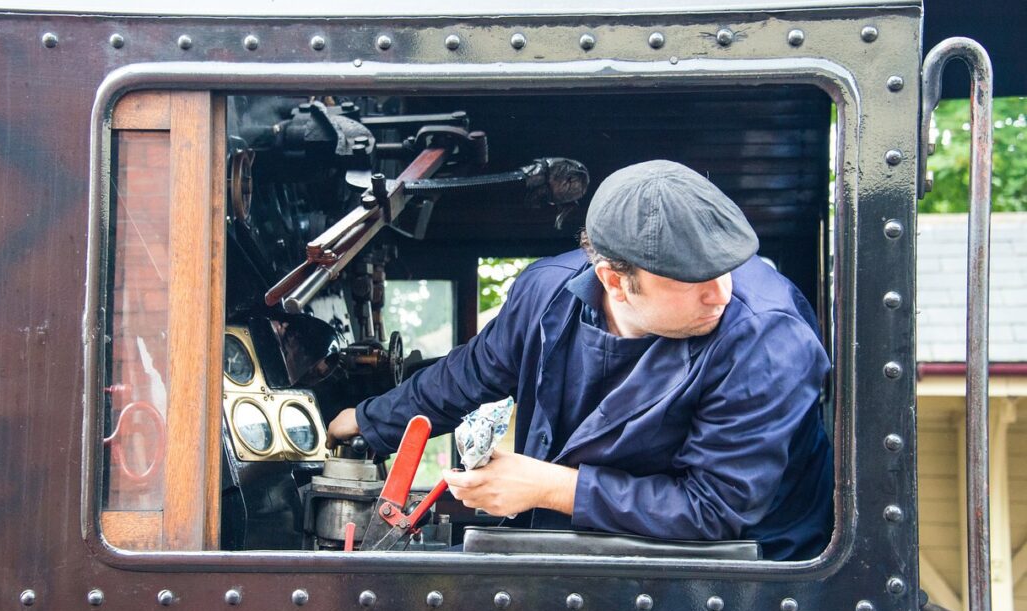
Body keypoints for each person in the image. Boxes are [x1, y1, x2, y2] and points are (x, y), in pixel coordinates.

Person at [328, 160, 833, 561]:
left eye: (728, 266)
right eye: (692, 278)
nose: (721, 292)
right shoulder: (546, 293)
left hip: (755, 568)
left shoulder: (767, 338)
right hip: (596, 545)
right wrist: (357, 423)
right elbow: (466, 376)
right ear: (615, 280)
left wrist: (549, 487)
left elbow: (714, 507)